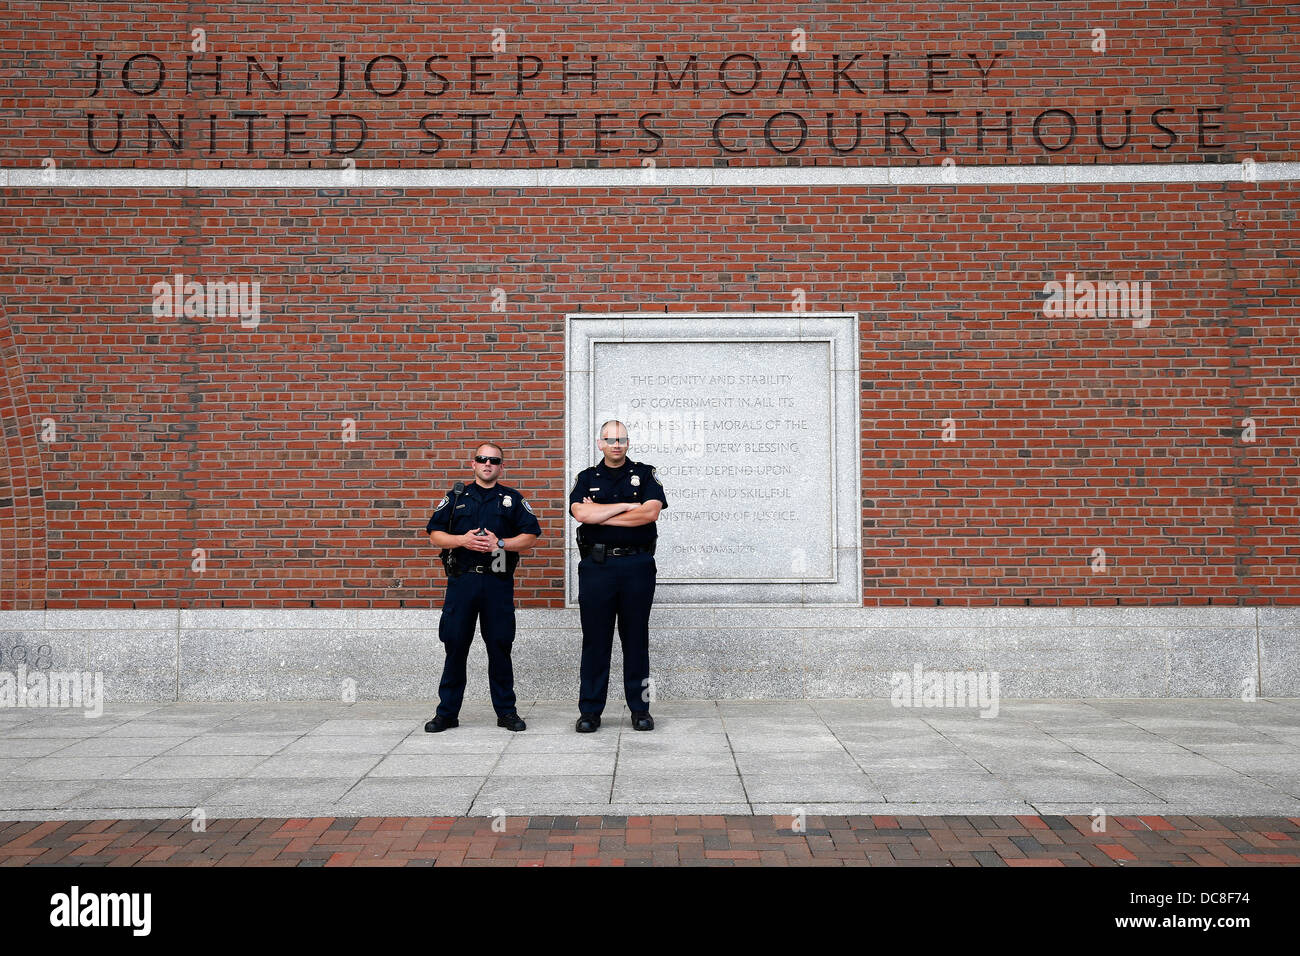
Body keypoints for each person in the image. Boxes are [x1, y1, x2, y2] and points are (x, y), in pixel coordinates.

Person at [424, 442, 540, 732]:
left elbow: (531, 536)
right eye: (482, 459)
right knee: (455, 647)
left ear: (501, 467)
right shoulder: (456, 497)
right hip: (462, 581)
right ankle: (447, 713)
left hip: (497, 581)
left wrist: (500, 543)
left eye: (494, 460)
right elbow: (435, 534)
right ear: (473, 464)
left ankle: (506, 712)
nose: (488, 464)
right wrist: (461, 540)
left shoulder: (512, 499)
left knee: (500, 647)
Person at [568, 420, 667, 732]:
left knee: (637, 640)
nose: (616, 444)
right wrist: (627, 507)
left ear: (628, 443)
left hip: (637, 566)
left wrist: (602, 513)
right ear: (600, 444)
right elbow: (581, 515)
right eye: (610, 439)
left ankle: (641, 710)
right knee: (595, 641)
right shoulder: (586, 478)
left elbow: (650, 512)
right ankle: (590, 712)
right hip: (597, 568)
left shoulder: (645, 472)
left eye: (621, 439)